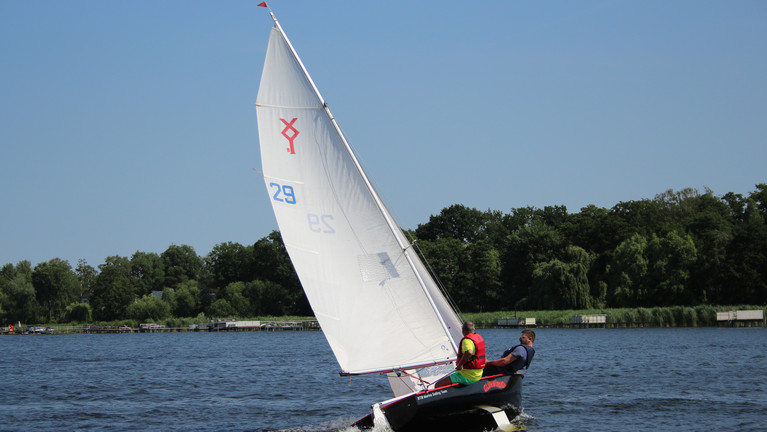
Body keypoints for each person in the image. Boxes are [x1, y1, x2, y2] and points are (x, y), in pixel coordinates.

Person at [434, 321, 486, 388]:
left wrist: (460, 365)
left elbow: (469, 352)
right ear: (474, 329)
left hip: (468, 376)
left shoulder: (467, 341)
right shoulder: (478, 338)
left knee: (438, 385)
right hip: (478, 374)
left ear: (463, 330)